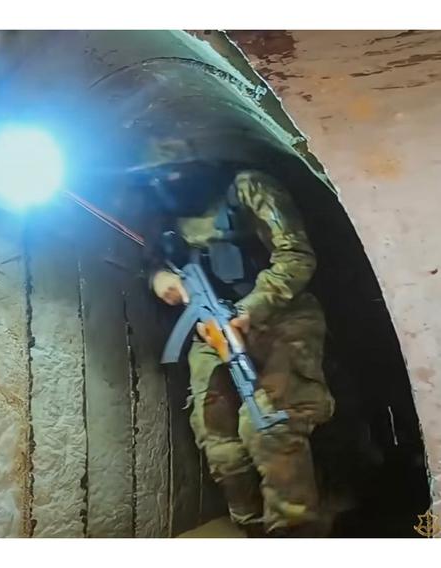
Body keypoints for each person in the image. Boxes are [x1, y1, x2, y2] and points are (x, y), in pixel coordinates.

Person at [145, 153, 336, 537]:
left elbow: (296, 257)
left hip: (282, 314)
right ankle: (250, 529)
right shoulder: (161, 200)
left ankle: (296, 534)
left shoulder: (248, 186)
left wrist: (251, 309)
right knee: (217, 437)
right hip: (208, 325)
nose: (169, 173)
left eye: (176, 159)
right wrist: (160, 279)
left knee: (268, 425)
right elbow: (148, 257)